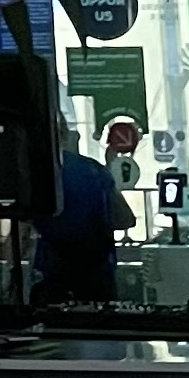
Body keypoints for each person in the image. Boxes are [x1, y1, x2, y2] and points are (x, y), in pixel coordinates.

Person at [35, 126, 130, 302]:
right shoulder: (95, 171)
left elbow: (23, 232)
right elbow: (125, 219)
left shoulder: (36, 173)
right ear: (67, 136)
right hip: (97, 275)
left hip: (54, 276)